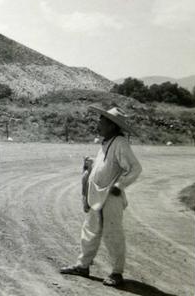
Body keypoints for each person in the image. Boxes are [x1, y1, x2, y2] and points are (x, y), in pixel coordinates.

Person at [60, 105, 143, 288]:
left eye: (102, 121)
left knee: (113, 234)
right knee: (89, 231)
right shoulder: (106, 143)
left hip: (110, 197)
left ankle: (117, 272)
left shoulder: (120, 143)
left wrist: (120, 185)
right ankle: (83, 266)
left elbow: (135, 168)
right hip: (97, 195)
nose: (98, 124)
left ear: (112, 125)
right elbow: (104, 166)